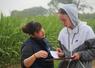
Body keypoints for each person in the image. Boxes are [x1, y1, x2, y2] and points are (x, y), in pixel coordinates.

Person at [56, 4, 95, 68]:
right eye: (61, 20)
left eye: (64, 20)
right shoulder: (62, 33)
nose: (63, 23)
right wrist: (62, 54)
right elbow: (64, 52)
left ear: (72, 17)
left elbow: (93, 51)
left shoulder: (87, 31)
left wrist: (80, 55)